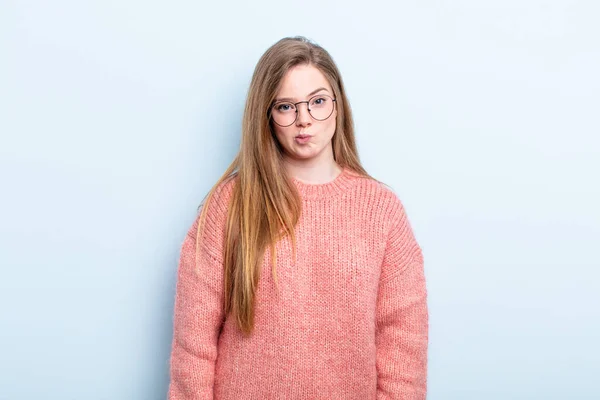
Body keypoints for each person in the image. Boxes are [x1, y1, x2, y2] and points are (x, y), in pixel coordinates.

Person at [167, 36, 428, 399]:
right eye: (286, 107)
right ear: (267, 116)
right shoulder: (230, 205)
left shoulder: (382, 210)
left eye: (318, 101)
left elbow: (404, 344)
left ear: (338, 106)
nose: (304, 119)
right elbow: (193, 345)